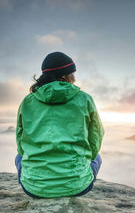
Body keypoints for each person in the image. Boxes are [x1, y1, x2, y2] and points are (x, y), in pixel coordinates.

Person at [15, 51, 104, 198]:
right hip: (77, 187)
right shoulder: (85, 99)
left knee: (19, 157)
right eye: (72, 74)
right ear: (64, 76)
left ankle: (35, 180)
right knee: (97, 157)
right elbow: (96, 136)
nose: (74, 79)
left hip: (34, 189)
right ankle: (74, 180)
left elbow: (20, 141)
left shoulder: (27, 102)